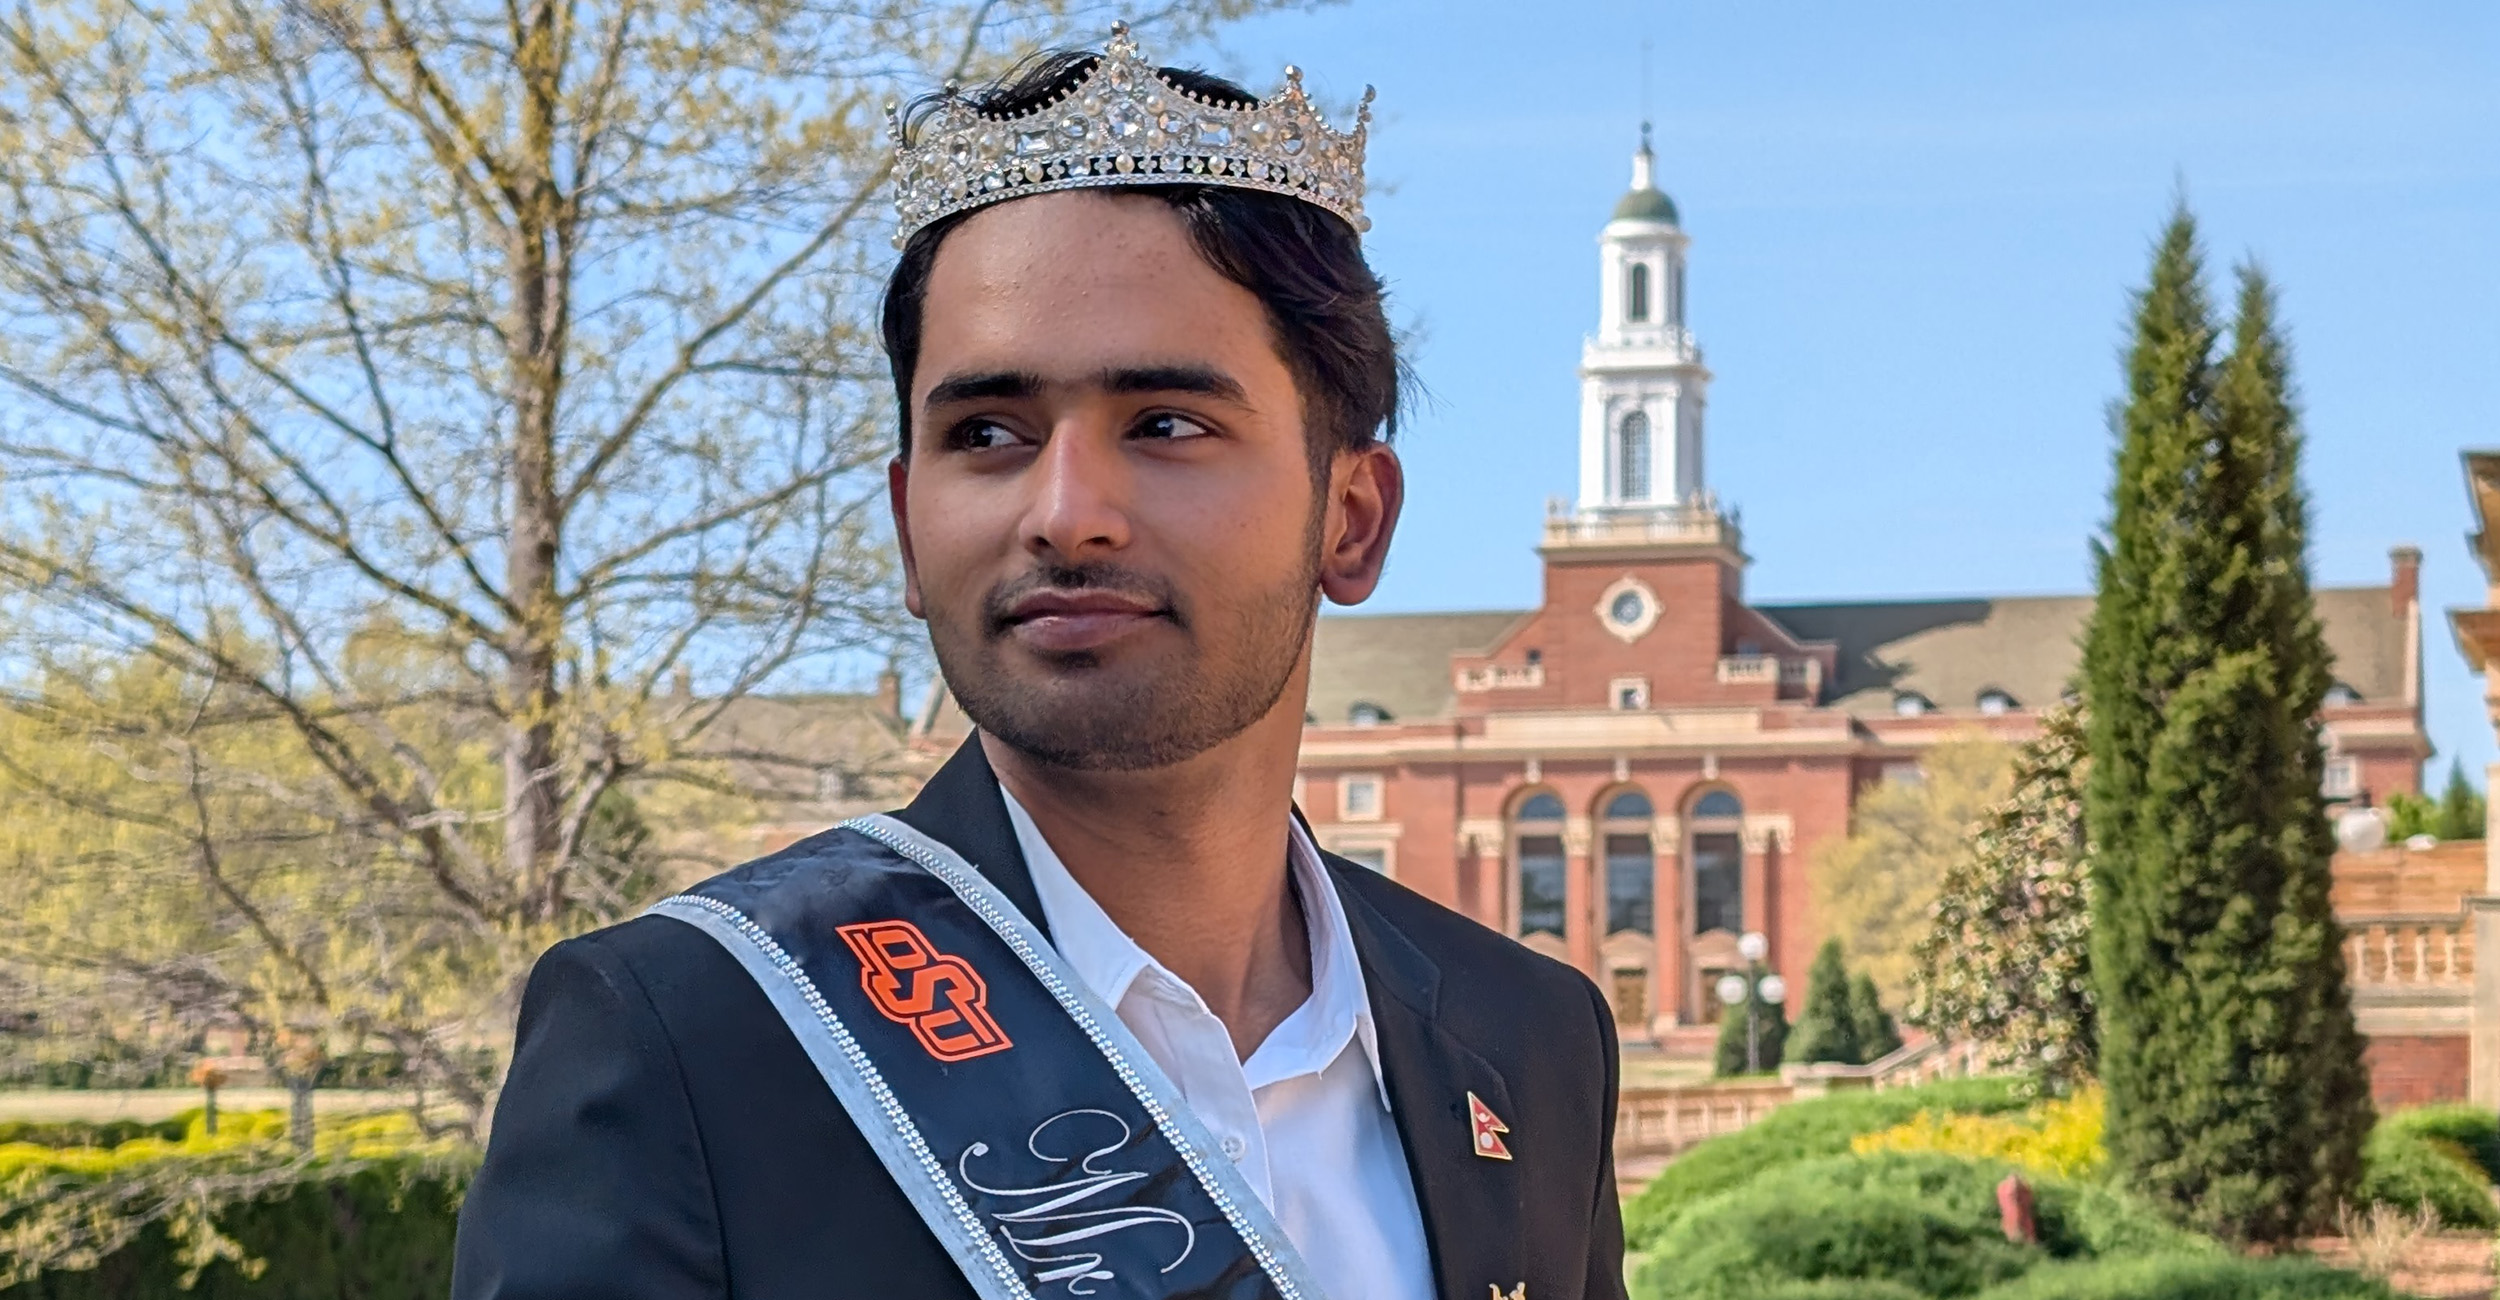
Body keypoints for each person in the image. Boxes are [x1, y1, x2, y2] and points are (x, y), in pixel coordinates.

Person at [452, 27, 1627, 1300]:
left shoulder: (1528, 1039)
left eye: (1166, 424)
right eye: (990, 431)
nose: (1065, 511)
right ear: (909, 526)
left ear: (1351, 518)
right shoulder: (690, 1036)